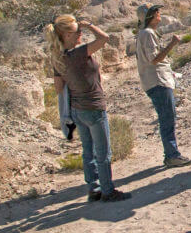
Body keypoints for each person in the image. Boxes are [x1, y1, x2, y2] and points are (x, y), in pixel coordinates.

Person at [45, 15, 131, 202]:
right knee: (103, 153)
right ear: (67, 35)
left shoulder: (58, 58)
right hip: (93, 107)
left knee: (88, 151)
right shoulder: (78, 54)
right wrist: (90, 24)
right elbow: (104, 39)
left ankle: (94, 189)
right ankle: (108, 191)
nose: (80, 33)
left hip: (77, 109)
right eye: (77, 31)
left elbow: (59, 88)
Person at [135, 4, 191, 168]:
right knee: (167, 118)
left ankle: (172, 154)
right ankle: (172, 155)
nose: (160, 14)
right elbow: (154, 59)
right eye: (157, 12)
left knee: (167, 117)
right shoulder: (147, 34)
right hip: (158, 81)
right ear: (150, 16)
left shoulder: (146, 34)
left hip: (156, 80)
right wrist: (172, 43)